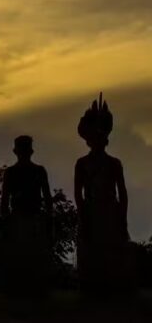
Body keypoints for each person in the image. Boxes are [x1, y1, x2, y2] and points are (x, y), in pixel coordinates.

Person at [74, 93, 131, 294]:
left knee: (110, 252)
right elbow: (78, 194)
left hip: (109, 212)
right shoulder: (82, 164)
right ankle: (93, 288)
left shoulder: (114, 164)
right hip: (93, 211)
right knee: (93, 252)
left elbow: (122, 193)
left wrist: (121, 218)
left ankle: (112, 288)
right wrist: (83, 216)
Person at [0, 135, 53, 295]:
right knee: (24, 256)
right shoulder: (16, 172)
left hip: (31, 218)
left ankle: (29, 288)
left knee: (29, 256)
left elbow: (47, 198)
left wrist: (48, 219)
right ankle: (25, 288)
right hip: (22, 219)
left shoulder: (34, 171)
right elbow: (4, 200)